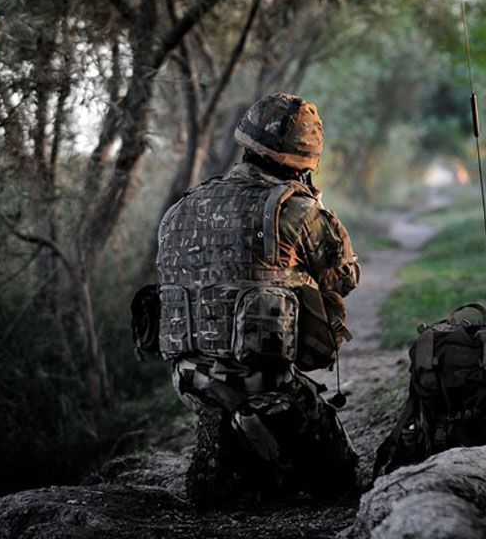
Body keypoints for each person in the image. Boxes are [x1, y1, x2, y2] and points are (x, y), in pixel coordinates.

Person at [154, 92, 360, 507]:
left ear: (245, 143)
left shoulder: (181, 208)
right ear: (305, 159)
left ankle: (231, 444)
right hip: (262, 381)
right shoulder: (295, 209)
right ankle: (265, 459)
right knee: (341, 481)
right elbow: (345, 278)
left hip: (189, 379)